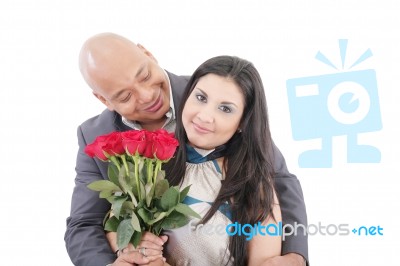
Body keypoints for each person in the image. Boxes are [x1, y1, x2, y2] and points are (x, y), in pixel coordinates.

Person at [65, 33, 309, 266]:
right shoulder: (95, 136)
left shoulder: (212, 92)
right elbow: (84, 223)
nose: (148, 95)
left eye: (144, 76)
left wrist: (295, 254)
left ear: (147, 53)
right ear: (103, 100)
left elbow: (276, 177)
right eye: (125, 96)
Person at [165, 55, 282, 265]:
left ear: (242, 122)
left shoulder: (254, 185)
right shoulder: (147, 162)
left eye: (225, 109)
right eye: (201, 98)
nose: (205, 116)